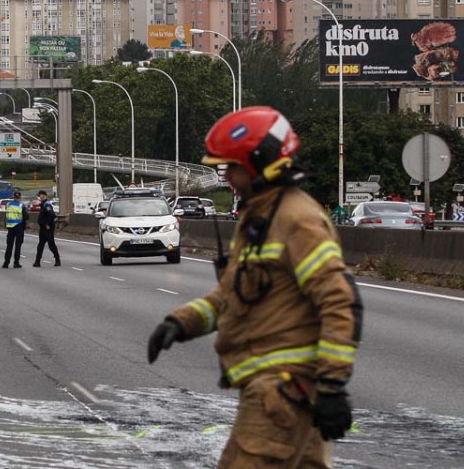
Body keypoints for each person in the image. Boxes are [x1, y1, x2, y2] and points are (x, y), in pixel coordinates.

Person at [148, 107, 363, 469]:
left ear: (262, 163)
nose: (227, 176)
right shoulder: (263, 216)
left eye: (232, 167)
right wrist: (182, 323)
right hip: (287, 393)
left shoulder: (297, 219)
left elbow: (340, 301)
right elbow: (236, 294)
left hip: (279, 393)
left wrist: (332, 387)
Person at [33, 190, 60, 267]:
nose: (39, 197)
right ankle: (37, 261)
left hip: (47, 228)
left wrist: (48, 224)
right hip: (42, 228)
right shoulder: (43, 204)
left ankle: (57, 259)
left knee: (51, 245)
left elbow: (52, 215)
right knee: (40, 245)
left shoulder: (47, 205)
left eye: (40, 195)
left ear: (44, 196)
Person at [3, 191, 29, 268]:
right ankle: (16, 262)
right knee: (18, 246)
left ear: (13, 197)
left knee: (9, 246)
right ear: (20, 197)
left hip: (10, 227)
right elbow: (26, 216)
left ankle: (6, 263)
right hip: (19, 227)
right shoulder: (21, 205)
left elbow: (6, 214)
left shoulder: (8, 204)